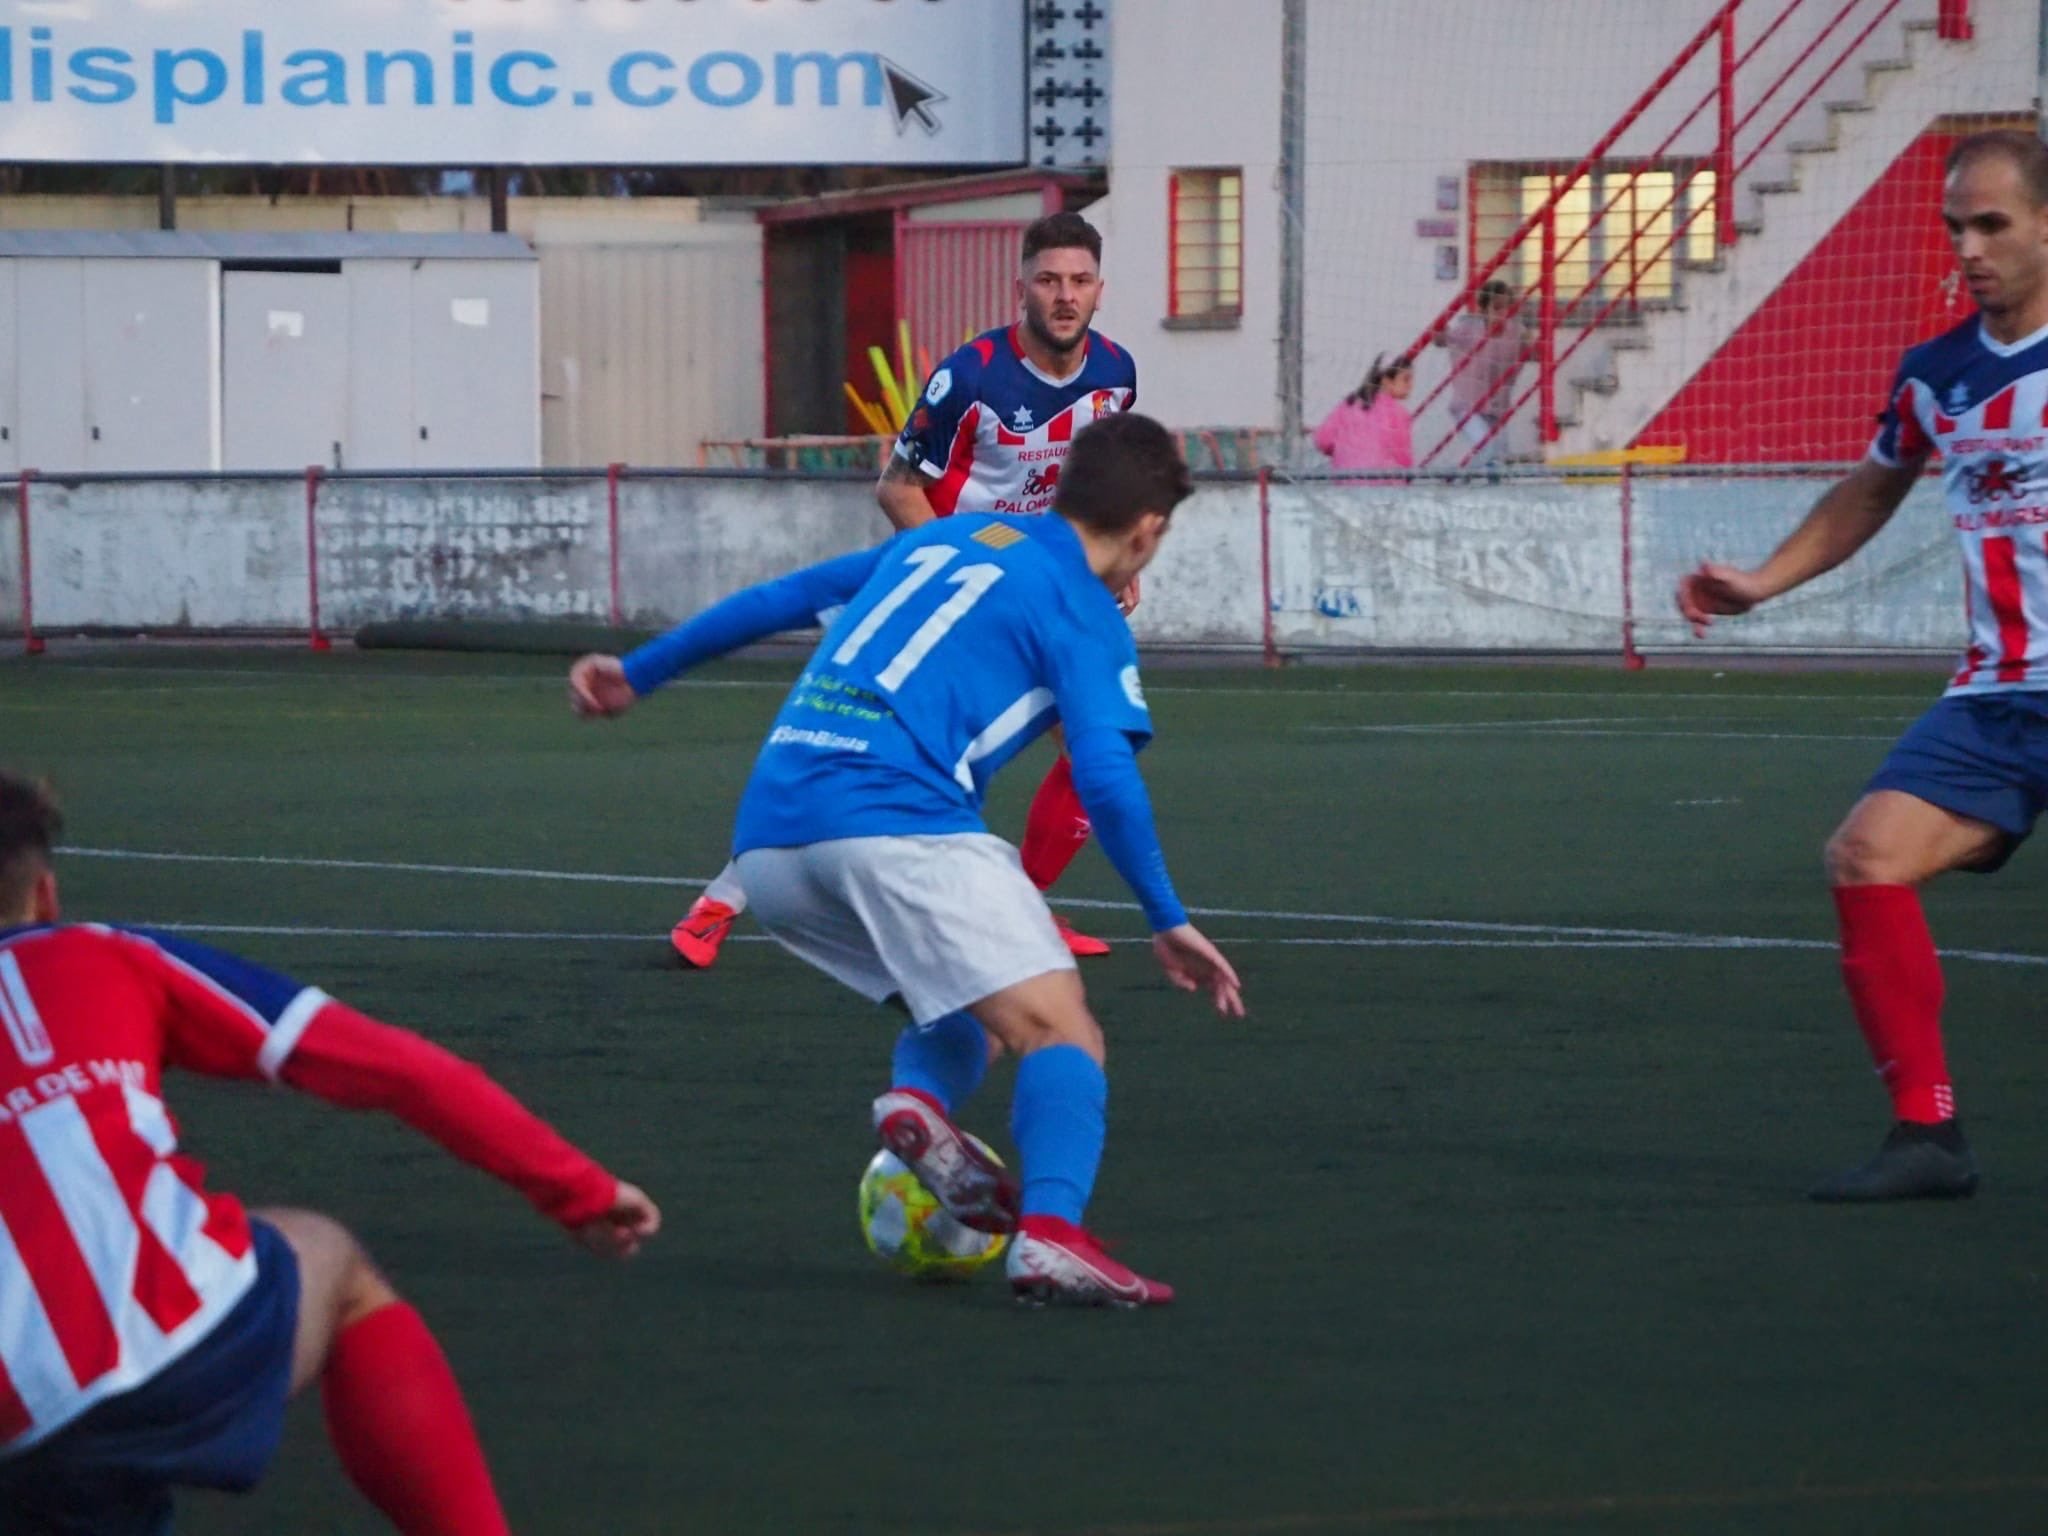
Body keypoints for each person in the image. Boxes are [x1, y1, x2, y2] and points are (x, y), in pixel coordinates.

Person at [570, 413, 1242, 1306]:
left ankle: (917, 1109)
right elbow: (1106, 777)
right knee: (1060, 1027)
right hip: (896, 825)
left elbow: (783, 599)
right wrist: (1167, 917)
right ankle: (1050, 1236)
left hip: (770, 846)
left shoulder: (949, 537)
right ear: (1150, 528)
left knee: (963, 1003)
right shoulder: (1086, 612)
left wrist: (640, 672)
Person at [0, 773, 661, 1533]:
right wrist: (580, 1190)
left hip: (16, 1416)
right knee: (334, 1262)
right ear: (45, 896)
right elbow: (403, 1071)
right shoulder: (104, 956)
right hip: (170, 1341)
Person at [1676, 127, 2048, 1201]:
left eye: (1991, 224)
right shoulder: (1934, 374)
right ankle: (1925, 1136)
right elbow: (1870, 489)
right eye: (1953, 228)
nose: (1967, 248)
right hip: (1997, 696)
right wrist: (1759, 579)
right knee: (1863, 855)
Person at [670, 211, 1137, 969]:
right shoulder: (973, 374)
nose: (1064, 296)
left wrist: (1118, 562)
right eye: (1048, 280)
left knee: (1096, 745)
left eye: (1079, 281)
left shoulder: (1117, 374)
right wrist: (956, 573)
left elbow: (1093, 484)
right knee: (872, 760)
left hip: (1039, 592)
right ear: (1021, 285)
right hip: (949, 591)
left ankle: (1023, 908)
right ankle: (719, 901)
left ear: (1099, 290)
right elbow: (898, 488)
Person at [1434, 279, 1528, 466]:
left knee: (1501, 457)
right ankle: (1462, 482)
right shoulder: (1469, 328)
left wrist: (1533, 342)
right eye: (1497, 308)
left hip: (1496, 408)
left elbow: (1533, 353)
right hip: (1467, 406)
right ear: (1484, 310)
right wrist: (1439, 331)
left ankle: (1492, 490)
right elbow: (1441, 339)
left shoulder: (1515, 332)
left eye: (1507, 308)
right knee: (1488, 449)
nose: (1503, 313)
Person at [1311, 353, 1416, 474]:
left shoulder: (1350, 403)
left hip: (1345, 482)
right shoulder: (1398, 413)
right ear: (1386, 381)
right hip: (1385, 484)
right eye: (1406, 379)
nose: (1410, 385)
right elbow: (1402, 457)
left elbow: (1322, 439)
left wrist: (1344, 450)